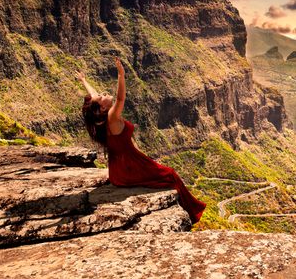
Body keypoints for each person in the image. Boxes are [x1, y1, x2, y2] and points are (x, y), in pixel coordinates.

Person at [78, 56, 206, 223]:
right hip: (131, 167)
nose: (103, 93)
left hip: (119, 170)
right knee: (170, 175)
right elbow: (120, 99)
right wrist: (121, 75)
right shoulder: (111, 117)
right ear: (102, 107)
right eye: (102, 96)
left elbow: (94, 96)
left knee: (168, 175)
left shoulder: (102, 119)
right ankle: (191, 212)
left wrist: (84, 80)